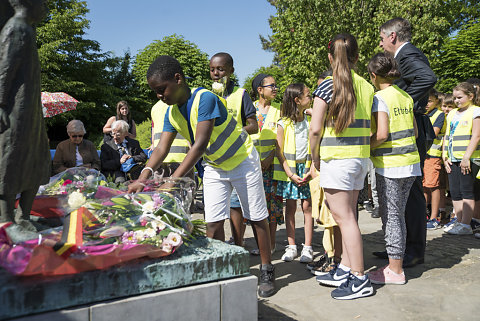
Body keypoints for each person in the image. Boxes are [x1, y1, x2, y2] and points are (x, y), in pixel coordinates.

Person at [127, 55, 275, 297]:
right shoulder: (171, 114)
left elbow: (199, 144)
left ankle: (267, 270)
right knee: (213, 221)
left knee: (256, 217)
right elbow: (161, 149)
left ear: (178, 79)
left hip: (243, 161)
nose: (159, 95)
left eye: (161, 89)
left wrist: (172, 181)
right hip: (216, 167)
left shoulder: (204, 98)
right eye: (155, 91)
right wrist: (142, 178)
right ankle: (217, 268)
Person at [310, 33, 374, 300]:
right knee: (350, 216)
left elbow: (315, 130)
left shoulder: (327, 86)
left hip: (337, 160)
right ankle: (346, 268)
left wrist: (314, 158)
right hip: (360, 159)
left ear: (329, 57)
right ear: (357, 57)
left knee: (344, 219)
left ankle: (360, 278)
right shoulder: (368, 86)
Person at [377, 17, 437, 268]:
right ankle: (399, 247)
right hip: (412, 127)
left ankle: (413, 250)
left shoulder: (408, 54)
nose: (380, 44)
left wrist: (401, 100)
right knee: (405, 192)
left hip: (415, 129)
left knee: (411, 193)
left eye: (381, 38)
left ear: (392, 36)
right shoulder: (405, 55)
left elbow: (428, 78)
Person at [366, 53, 421, 285]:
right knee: (398, 216)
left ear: (373, 75)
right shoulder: (405, 96)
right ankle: (395, 263)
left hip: (390, 166)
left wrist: (365, 147)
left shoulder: (379, 97)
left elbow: (381, 134)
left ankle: (395, 270)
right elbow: (416, 133)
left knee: (392, 218)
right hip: (411, 164)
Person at [0, 0, 50, 234]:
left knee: (37, 157)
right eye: (43, 3)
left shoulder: (27, 29)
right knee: (11, 158)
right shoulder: (15, 27)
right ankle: (7, 220)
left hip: (30, 108)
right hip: (15, 109)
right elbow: (5, 68)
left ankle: (24, 215)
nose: (46, 8)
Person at [209, 52, 258, 249]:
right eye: (212, 69)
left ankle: (239, 243)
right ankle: (219, 251)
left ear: (231, 71)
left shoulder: (241, 95)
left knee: (238, 206)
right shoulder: (208, 96)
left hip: (239, 159)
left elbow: (253, 126)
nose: (216, 73)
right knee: (215, 212)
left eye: (220, 69)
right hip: (216, 161)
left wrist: (233, 134)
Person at [274, 83, 314, 263]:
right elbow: (279, 151)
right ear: (297, 100)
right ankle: (291, 246)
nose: (311, 97)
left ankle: (308, 247)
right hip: (290, 172)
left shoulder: (311, 120)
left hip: (307, 170)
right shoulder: (283, 123)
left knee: (307, 207)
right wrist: (290, 174)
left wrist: (311, 170)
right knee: (290, 208)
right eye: (308, 95)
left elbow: (316, 146)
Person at [251, 73, 283, 253]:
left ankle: (271, 245)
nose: (275, 88)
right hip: (253, 166)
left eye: (275, 85)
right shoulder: (250, 109)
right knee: (256, 206)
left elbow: (282, 139)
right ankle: (260, 244)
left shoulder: (280, 110)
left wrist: (270, 158)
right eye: (271, 85)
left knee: (272, 205)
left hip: (272, 166)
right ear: (260, 90)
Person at [442, 82, 480, 235]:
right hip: (452, 158)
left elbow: (476, 135)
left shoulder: (476, 111)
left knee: (467, 192)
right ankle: (459, 221)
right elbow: (447, 135)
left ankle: (466, 224)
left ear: (470, 96)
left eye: (460, 97)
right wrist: (445, 156)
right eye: (455, 98)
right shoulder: (452, 114)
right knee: (455, 192)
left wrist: (466, 158)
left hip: (468, 159)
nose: (456, 101)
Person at [150, 99, 191, 178]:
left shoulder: (155, 108)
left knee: (160, 189)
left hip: (159, 159)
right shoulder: (180, 104)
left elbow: (153, 137)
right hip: (181, 157)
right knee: (184, 188)